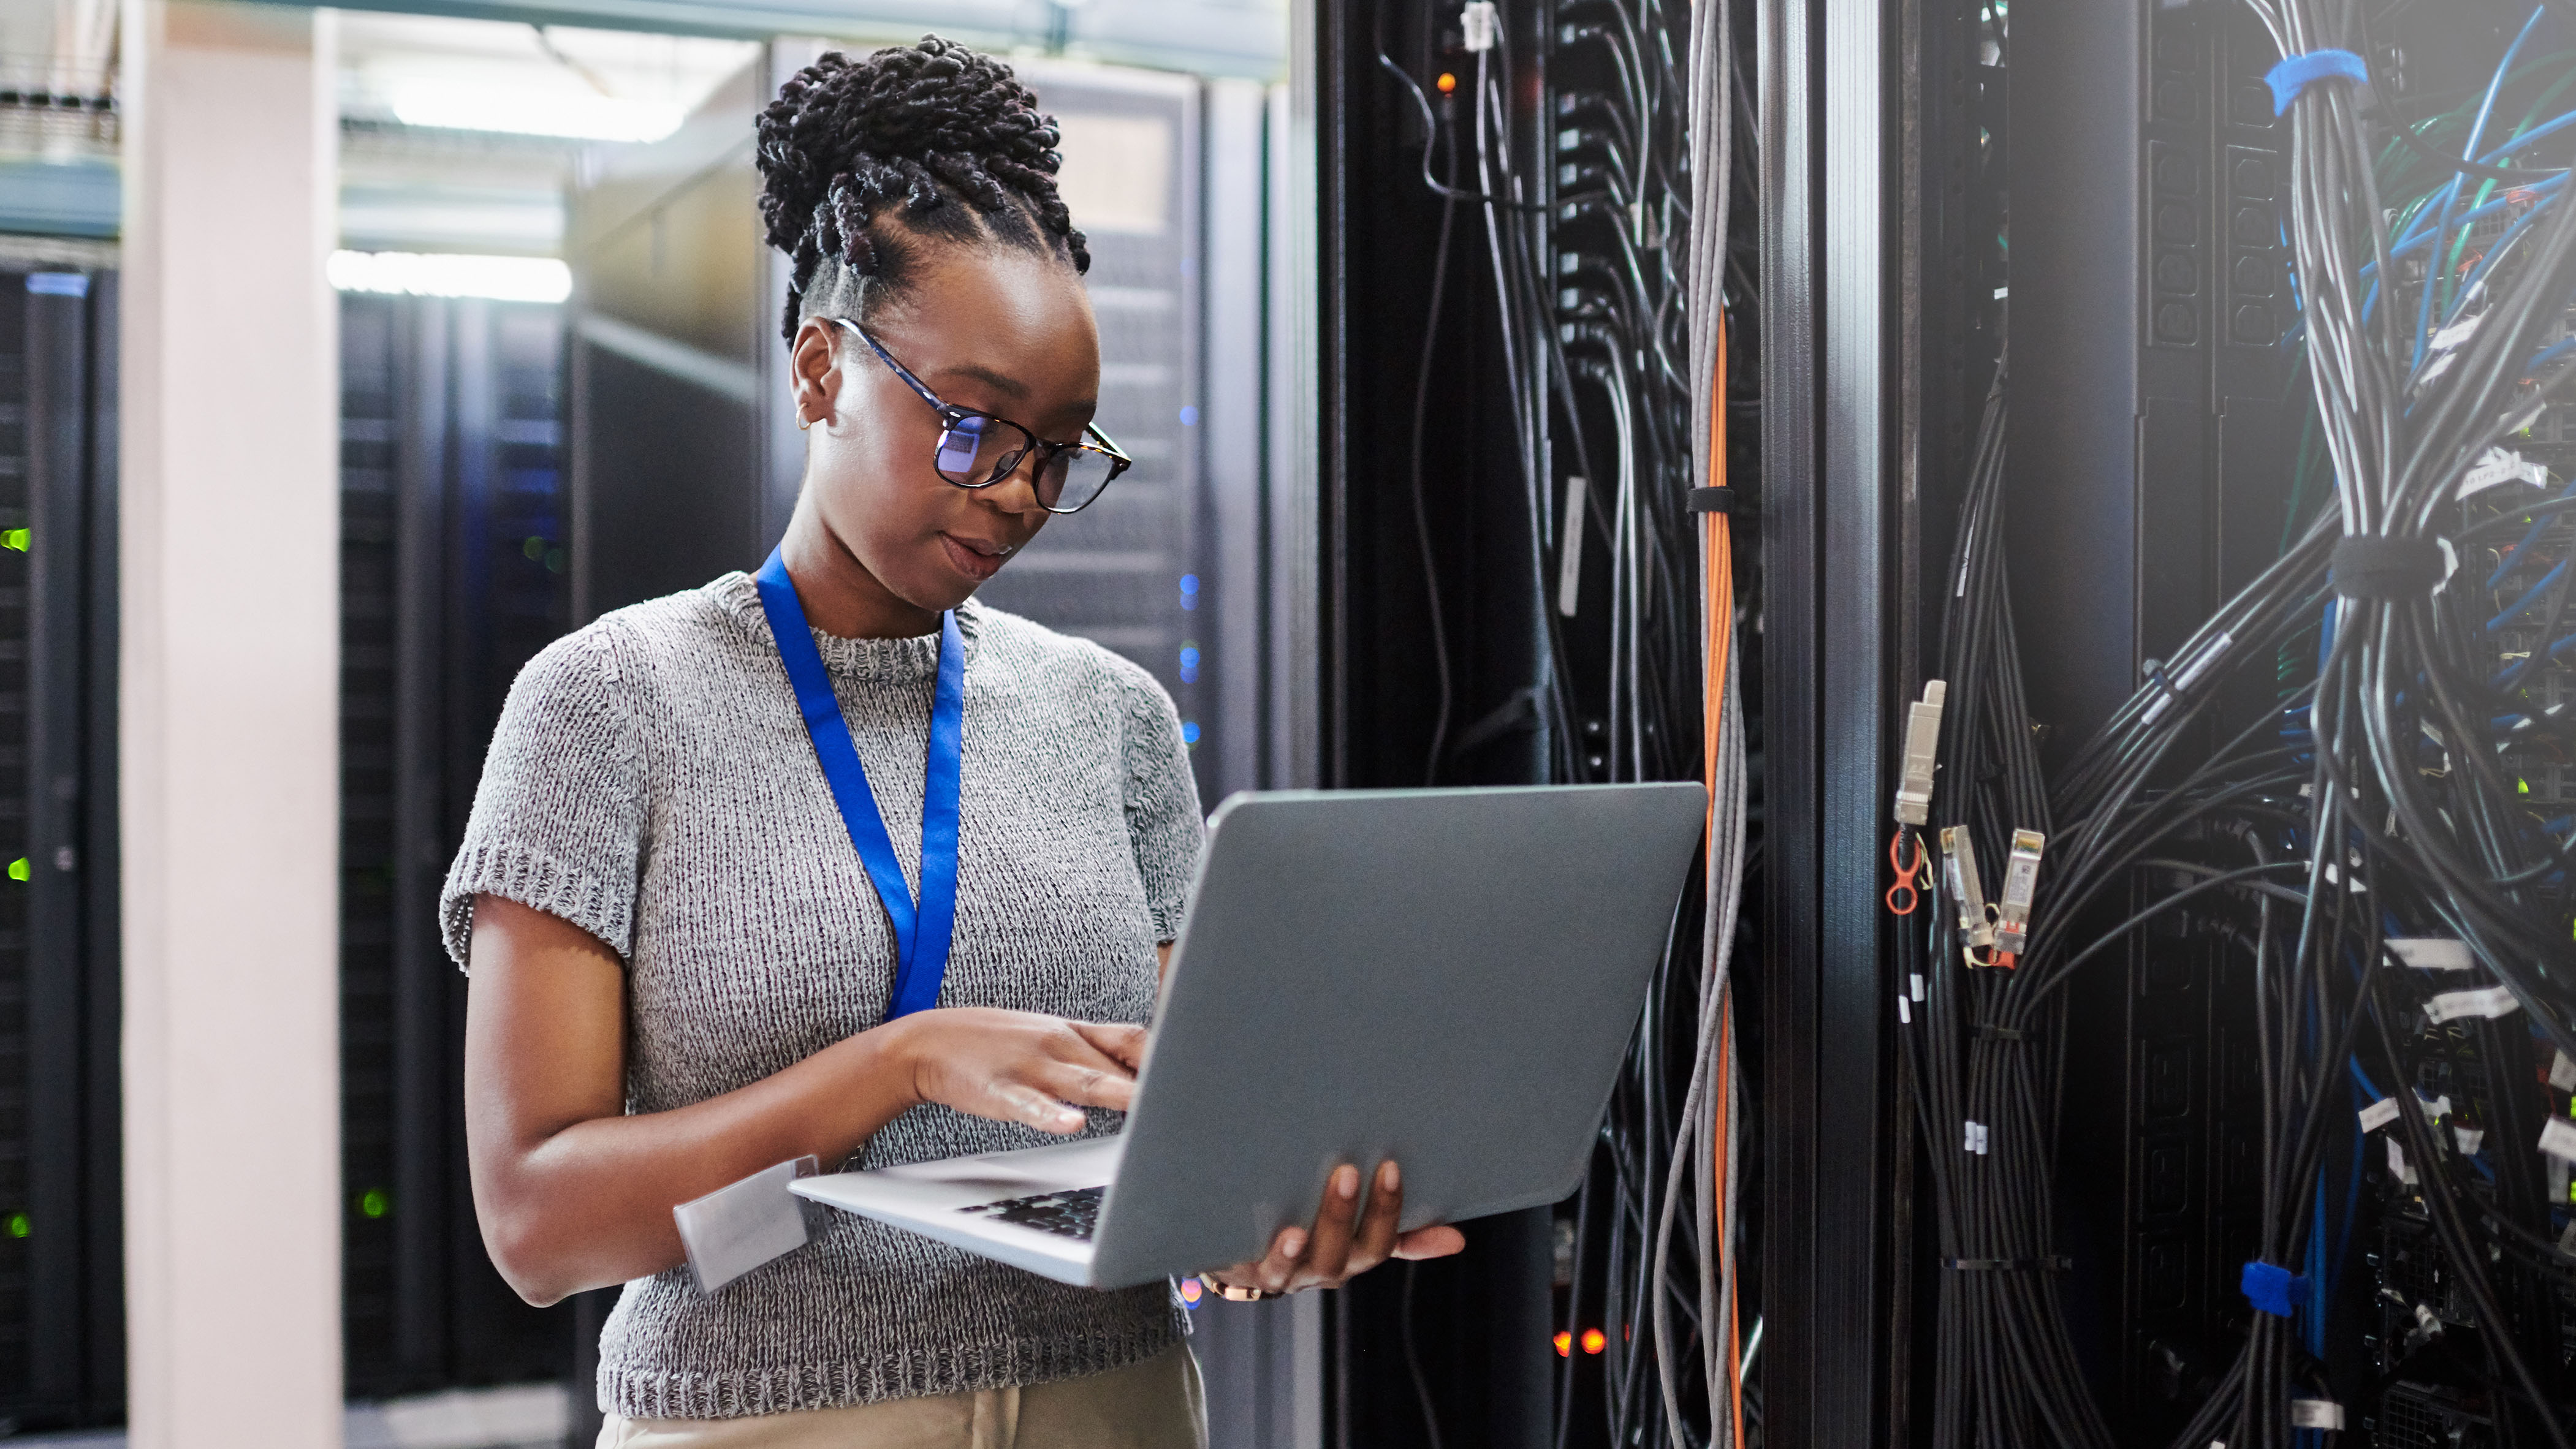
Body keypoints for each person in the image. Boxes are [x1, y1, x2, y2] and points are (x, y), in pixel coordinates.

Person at [449, 36, 1465, 1449]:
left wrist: (1261, 1221)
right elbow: (536, 1222)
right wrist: (900, 1061)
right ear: (821, 370)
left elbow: (1173, 1141)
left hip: (1113, 1403)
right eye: (971, 425)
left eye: (1057, 450)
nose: (1012, 491)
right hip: (765, 1424)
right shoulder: (609, 702)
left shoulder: (1107, 718)